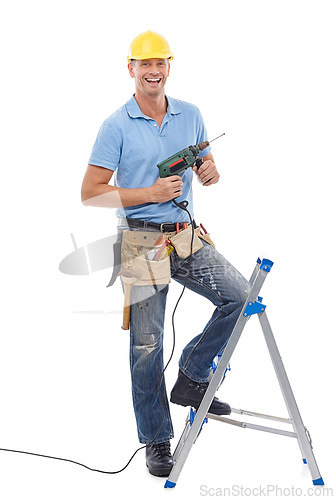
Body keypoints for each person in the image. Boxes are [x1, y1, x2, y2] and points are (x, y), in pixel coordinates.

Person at [81, 30, 250, 478]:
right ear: (131, 68)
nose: (153, 71)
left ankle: (193, 377)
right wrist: (148, 193)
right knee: (146, 345)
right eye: (144, 64)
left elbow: (205, 163)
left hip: (185, 234)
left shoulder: (191, 115)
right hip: (139, 241)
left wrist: (209, 170)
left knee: (242, 297)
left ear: (169, 66)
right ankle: (157, 439)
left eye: (161, 63)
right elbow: (91, 194)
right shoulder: (116, 124)